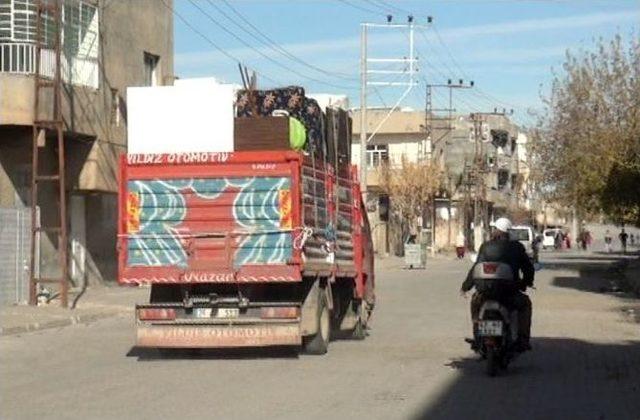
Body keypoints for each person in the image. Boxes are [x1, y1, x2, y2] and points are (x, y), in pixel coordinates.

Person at [460, 217, 534, 351]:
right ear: (508, 232)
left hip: (485, 293)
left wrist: (466, 286)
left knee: (475, 304)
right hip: (509, 294)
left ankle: (477, 335)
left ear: (496, 231)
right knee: (525, 305)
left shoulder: (486, 246)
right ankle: (523, 340)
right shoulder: (517, 247)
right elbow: (528, 268)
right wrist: (526, 282)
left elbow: (476, 268)